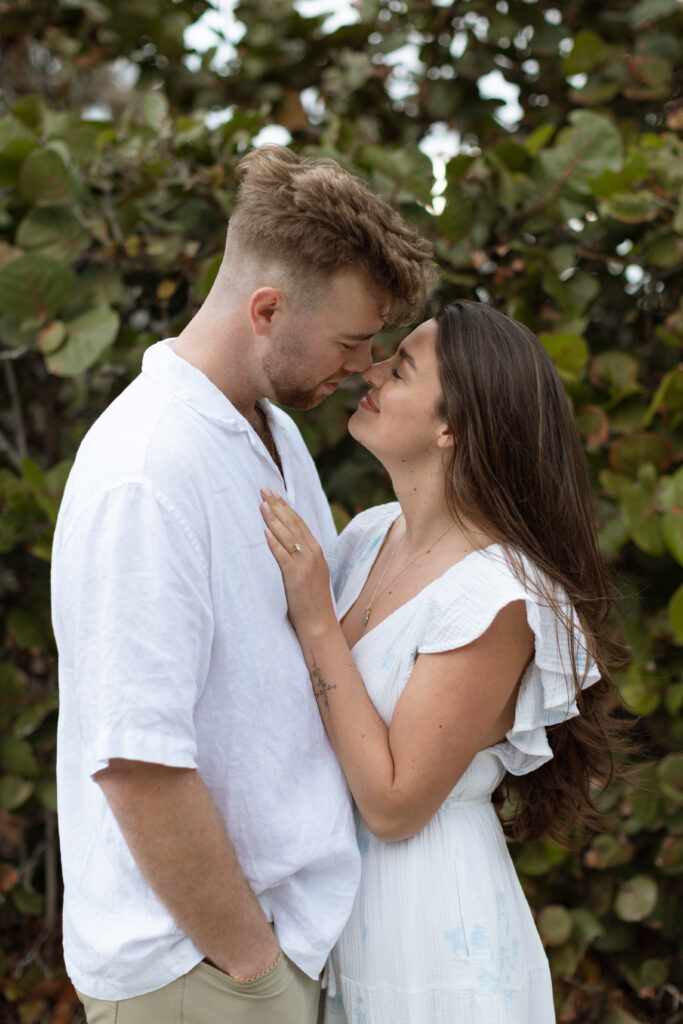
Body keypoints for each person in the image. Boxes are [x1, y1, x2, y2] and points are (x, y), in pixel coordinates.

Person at [51, 144, 436, 1024]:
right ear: (266, 310)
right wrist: (253, 973)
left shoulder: (270, 431)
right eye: (349, 342)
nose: (364, 366)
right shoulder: (147, 469)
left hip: (270, 947)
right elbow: (137, 763)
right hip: (199, 971)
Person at [261, 301, 630, 1023]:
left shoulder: (495, 598)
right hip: (338, 912)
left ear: (449, 429)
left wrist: (313, 615)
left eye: (398, 369)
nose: (367, 372)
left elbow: (395, 803)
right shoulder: (368, 537)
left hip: (431, 937)